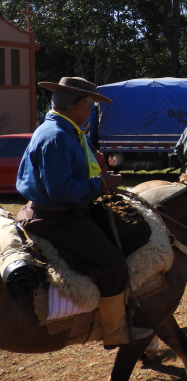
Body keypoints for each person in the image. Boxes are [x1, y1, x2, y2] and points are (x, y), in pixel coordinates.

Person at [15, 77, 153, 347]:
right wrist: (101, 185)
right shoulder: (56, 136)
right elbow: (59, 189)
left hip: (62, 211)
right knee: (113, 264)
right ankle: (116, 331)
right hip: (57, 218)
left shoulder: (62, 131)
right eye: (90, 108)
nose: (90, 113)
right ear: (79, 105)